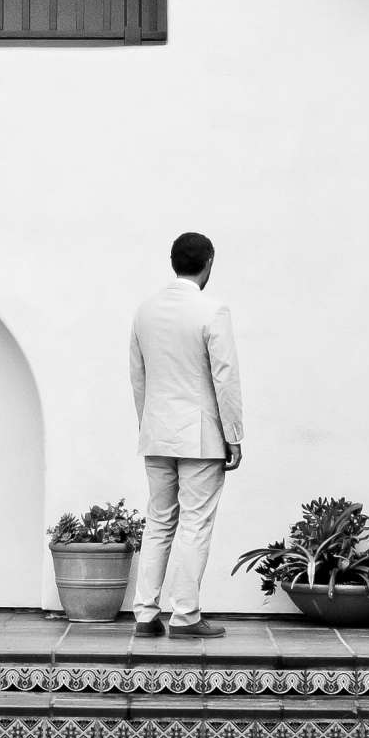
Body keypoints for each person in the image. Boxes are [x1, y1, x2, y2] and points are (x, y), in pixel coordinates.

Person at [127, 232, 244, 639]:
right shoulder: (213, 310)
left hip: (156, 432)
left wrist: (147, 425)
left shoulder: (145, 311)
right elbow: (224, 377)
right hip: (200, 436)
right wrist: (234, 434)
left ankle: (144, 614)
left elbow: (137, 376)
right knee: (195, 523)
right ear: (208, 263)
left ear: (172, 261)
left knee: (158, 521)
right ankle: (185, 614)